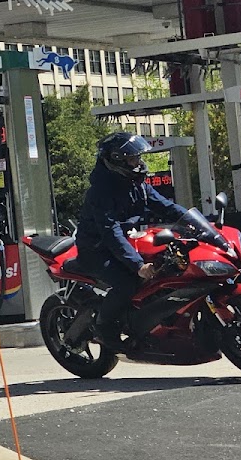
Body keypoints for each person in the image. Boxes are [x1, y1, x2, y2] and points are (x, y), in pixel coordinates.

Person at [76, 131, 185, 352]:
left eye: (138, 157)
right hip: (97, 250)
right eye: (133, 158)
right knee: (127, 283)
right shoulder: (101, 192)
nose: (138, 162)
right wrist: (137, 265)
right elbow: (111, 231)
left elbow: (165, 206)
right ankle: (104, 327)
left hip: (127, 243)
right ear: (118, 160)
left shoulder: (137, 183)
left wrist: (198, 221)